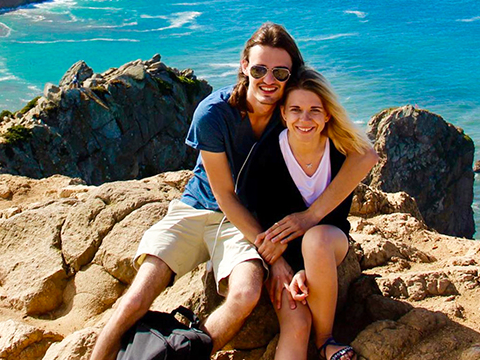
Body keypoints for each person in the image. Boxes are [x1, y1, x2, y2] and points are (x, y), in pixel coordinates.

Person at [88, 22, 305, 360]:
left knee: (246, 295)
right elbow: (223, 195)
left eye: (280, 72)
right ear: (245, 65)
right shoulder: (214, 113)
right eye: (260, 69)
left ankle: (179, 357)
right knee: (136, 297)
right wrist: (272, 254)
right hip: (196, 208)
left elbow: (354, 153)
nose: (269, 80)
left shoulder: (294, 116)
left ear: (292, 75)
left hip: (243, 223)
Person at [239, 68, 377, 360]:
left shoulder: (340, 147)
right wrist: (284, 267)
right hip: (280, 257)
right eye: (296, 110)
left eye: (315, 110)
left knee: (315, 239)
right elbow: (258, 218)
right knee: (295, 321)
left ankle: (325, 341)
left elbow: (369, 156)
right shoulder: (266, 157)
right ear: (283, 114)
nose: (305, 119)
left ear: (328, 114)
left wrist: (311, 216)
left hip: (330, 241)